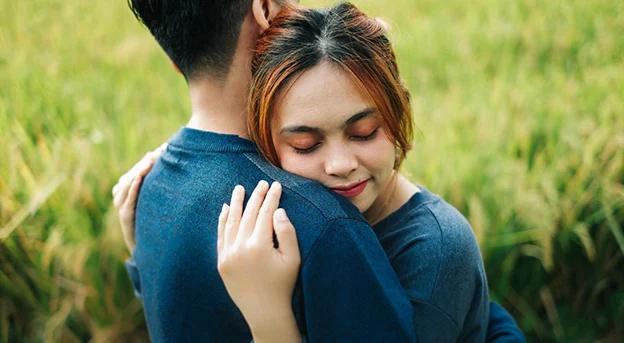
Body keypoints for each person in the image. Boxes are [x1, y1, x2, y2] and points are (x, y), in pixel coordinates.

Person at [113, 1, 526, 342]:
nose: (340, 164)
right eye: (305, 145)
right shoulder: (319, 221)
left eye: (365, 131)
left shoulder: (410, 241)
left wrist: (271, 323)